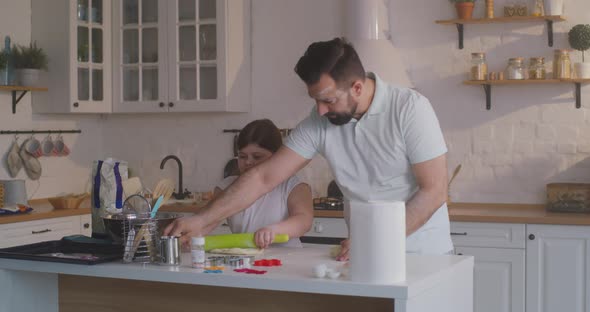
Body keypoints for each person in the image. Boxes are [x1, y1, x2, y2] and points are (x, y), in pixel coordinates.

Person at [165, 37, 453, 259]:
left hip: (423, 254)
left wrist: (378, 240)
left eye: (328, 100)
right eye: (315, 100)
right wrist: (203, 219)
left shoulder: (410, 109)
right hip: (363, 253)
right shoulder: (320, 121)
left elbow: (434, 191)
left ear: (356, 87)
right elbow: (264, 177)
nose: (321, 110)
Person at [212, 119, 312, 248]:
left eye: (257, 156)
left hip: (286, 260)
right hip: (244, 260)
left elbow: (304, 221)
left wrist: (274, 231)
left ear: (277, 157)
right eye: (242, 156)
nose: (248, 162)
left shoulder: (294, 186)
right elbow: (209, 221)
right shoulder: (225, 187)